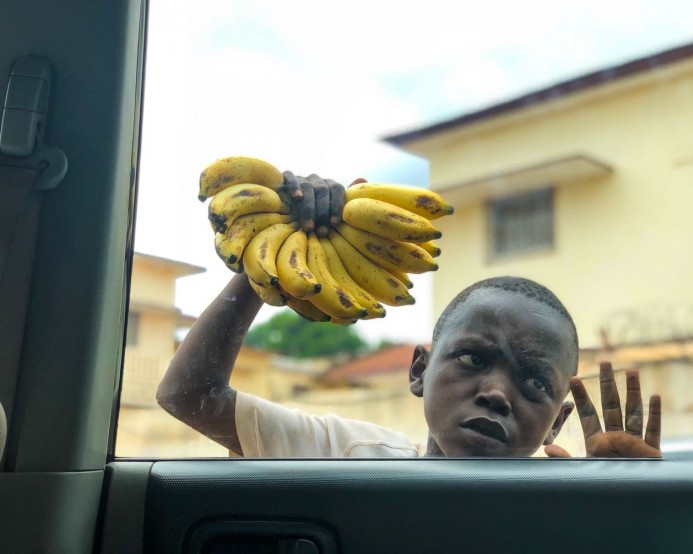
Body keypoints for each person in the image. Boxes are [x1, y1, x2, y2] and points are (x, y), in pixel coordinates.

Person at [156, 174, 661, 459]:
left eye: (534, 382)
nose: (496, 393)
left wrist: (624, 504)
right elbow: (189, 396)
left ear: (558, 422)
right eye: (473, 359)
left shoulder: (561, 504)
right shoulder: (350, 455)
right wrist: (271, 256)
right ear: (419, 370)